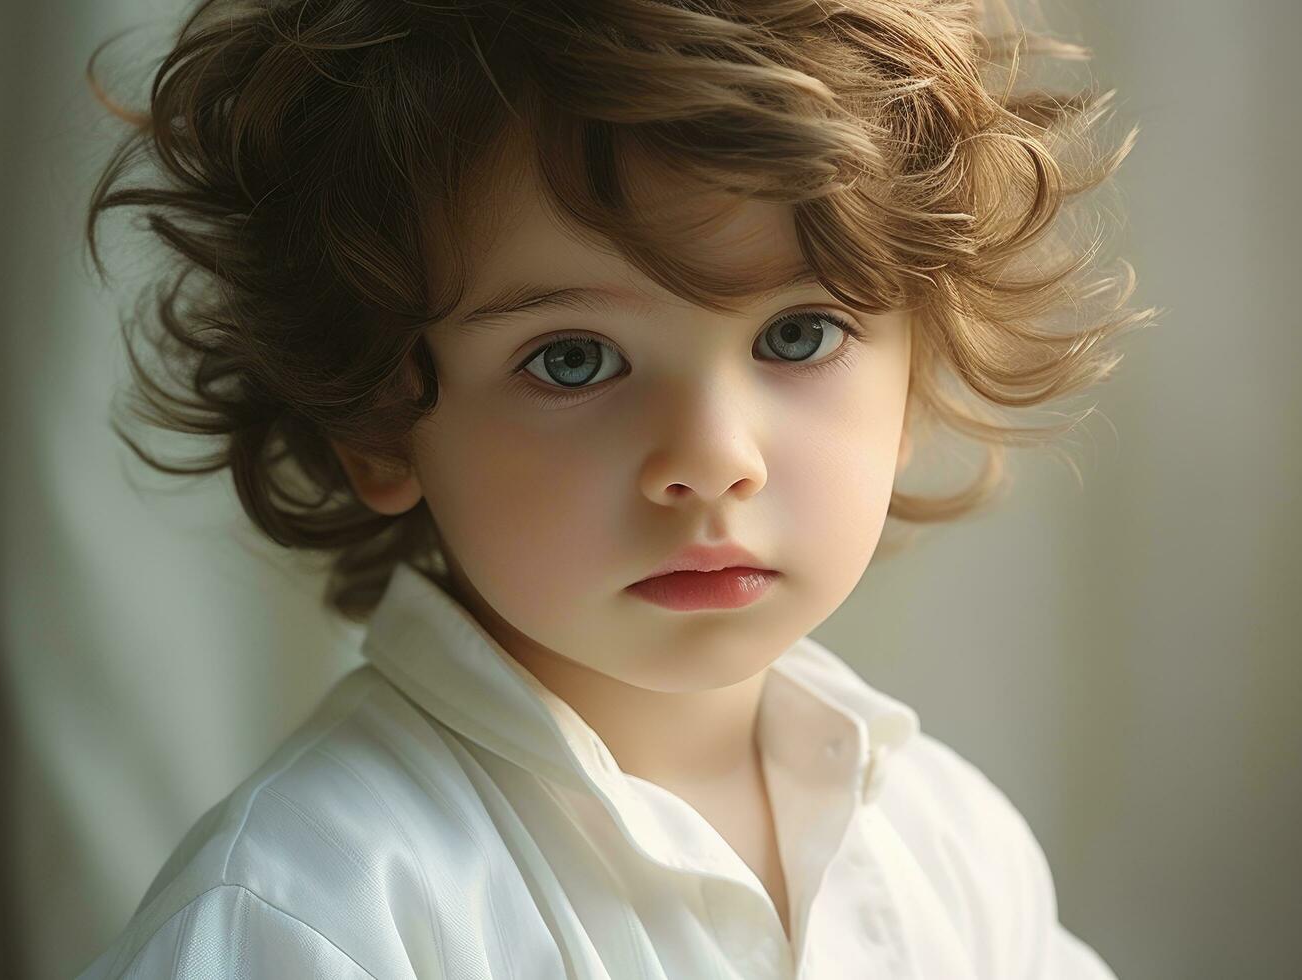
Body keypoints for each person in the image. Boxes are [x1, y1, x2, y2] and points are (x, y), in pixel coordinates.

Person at [77, 0, 1153, 976]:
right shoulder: (308, 917)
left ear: (914, 381)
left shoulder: (949, 840)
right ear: (380, 422)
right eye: (574, 358)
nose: (711, 456)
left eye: (798, 333)